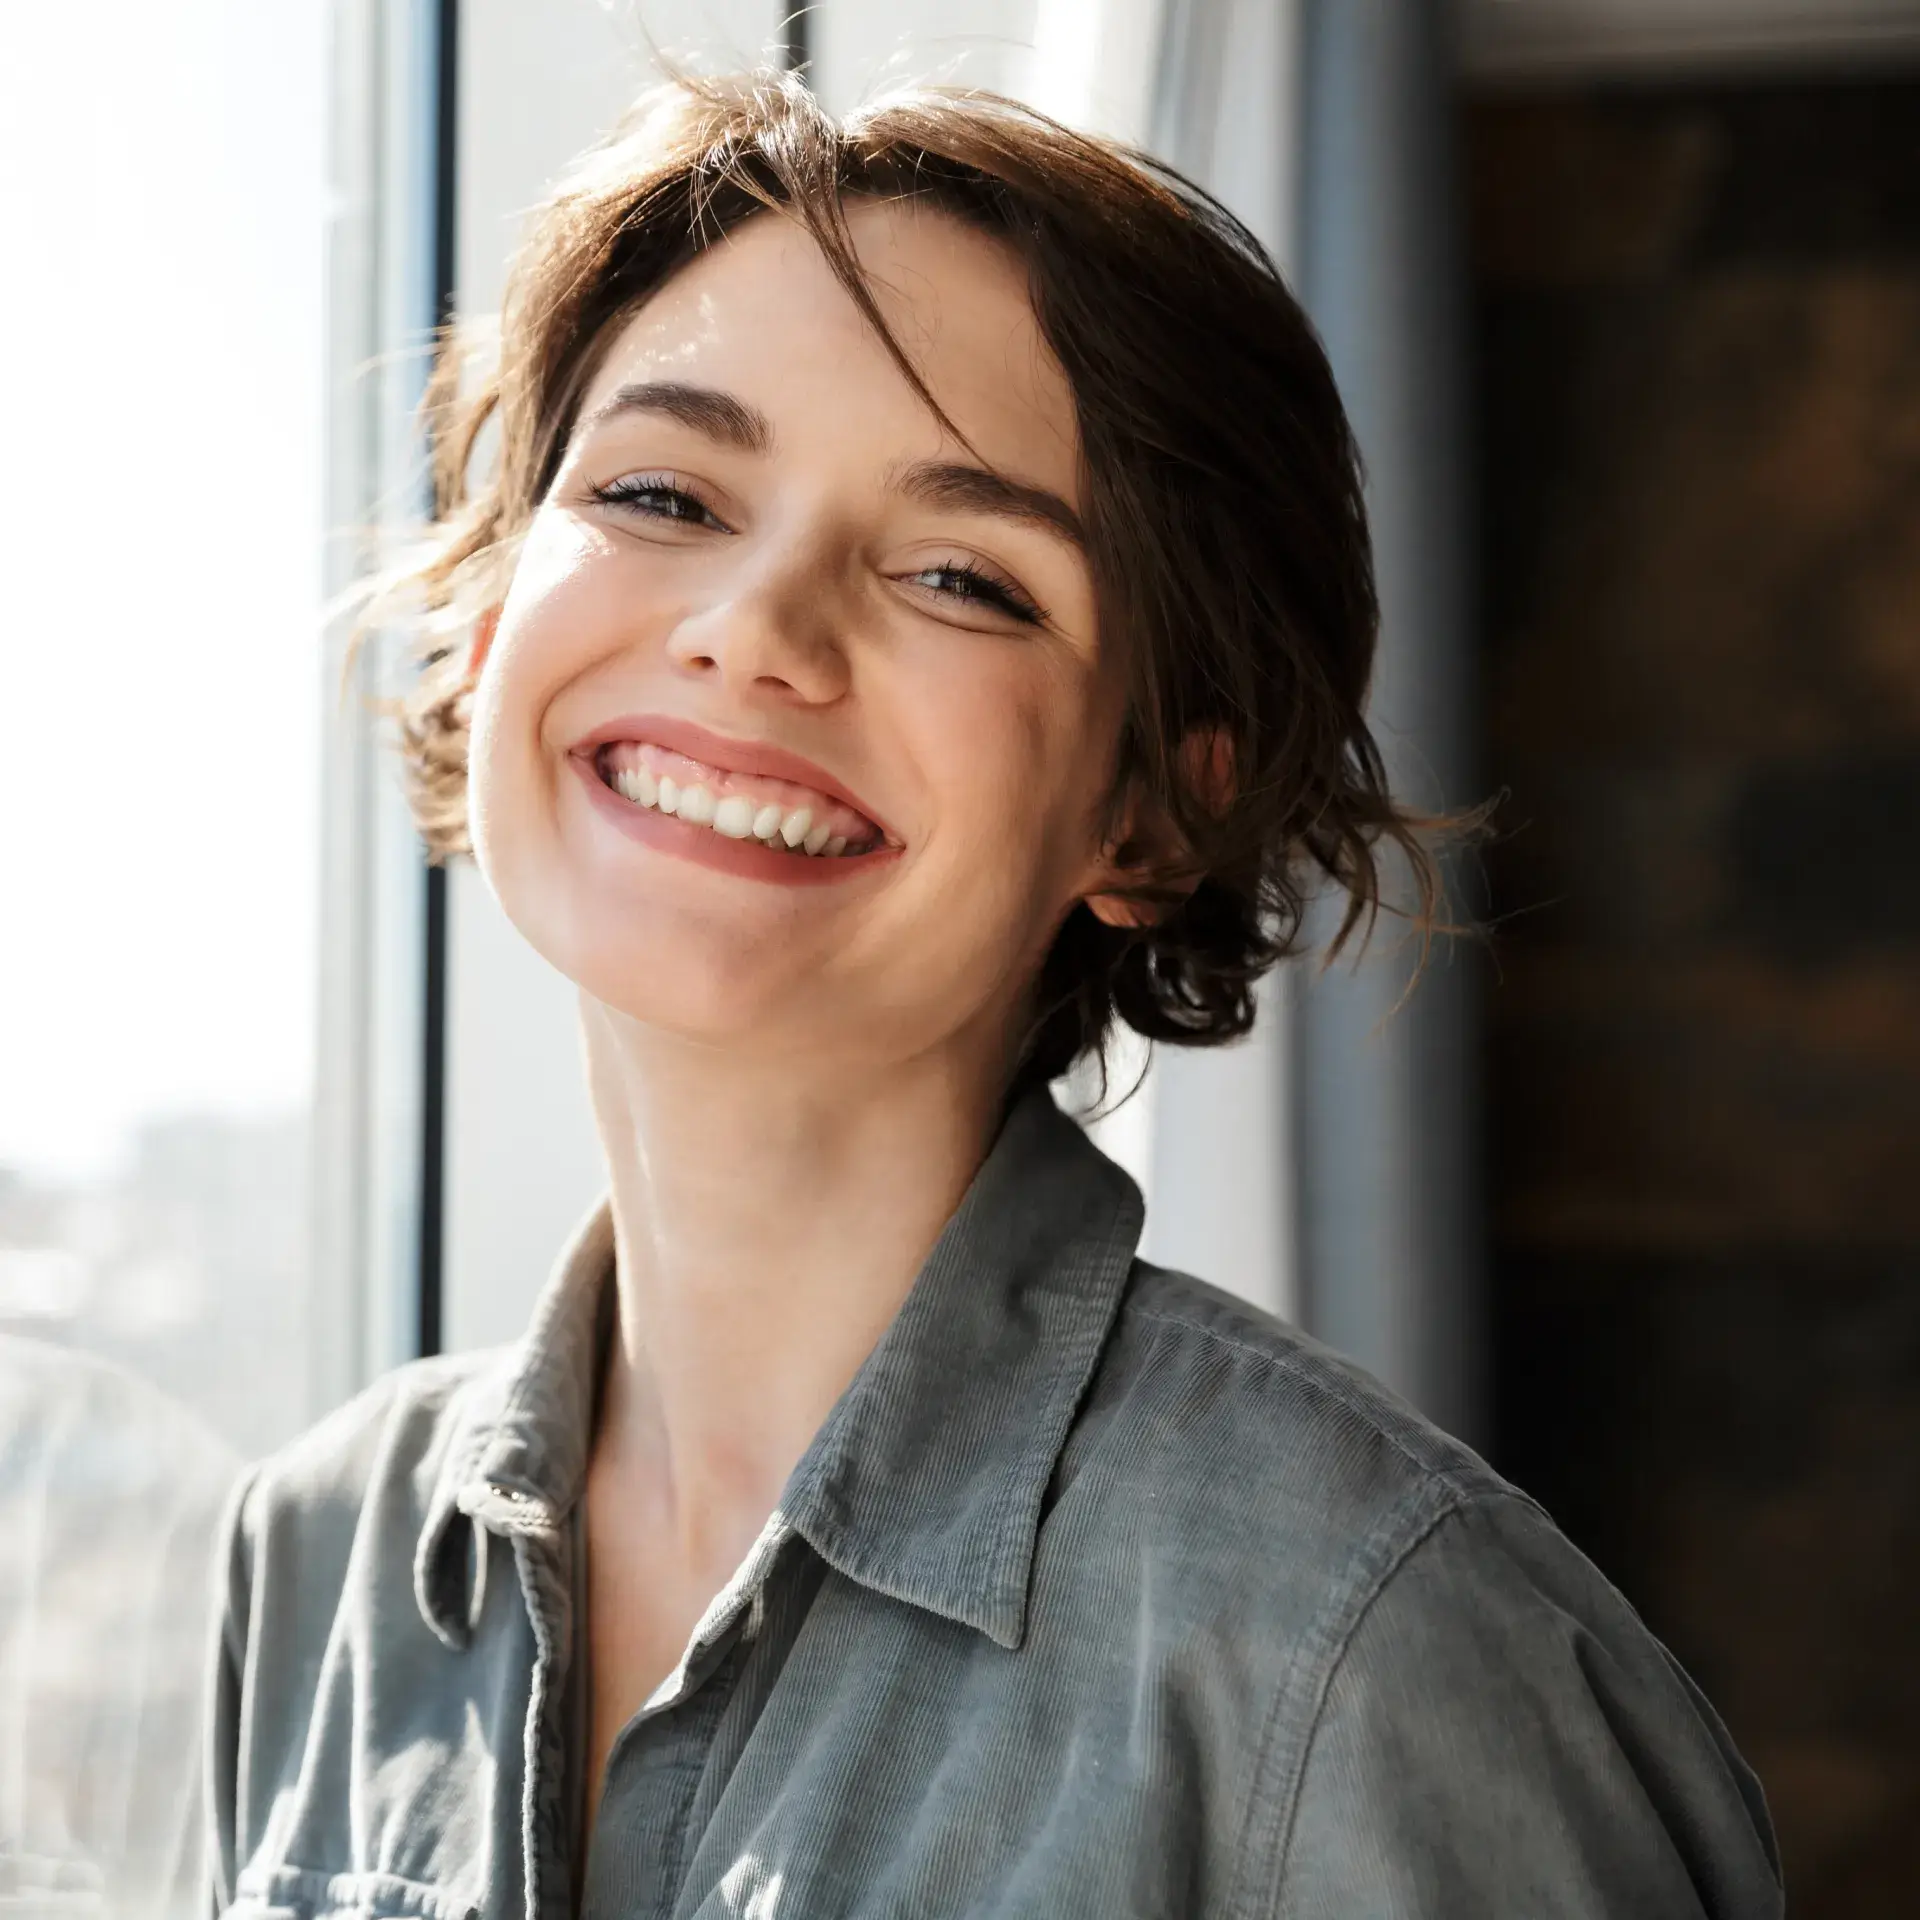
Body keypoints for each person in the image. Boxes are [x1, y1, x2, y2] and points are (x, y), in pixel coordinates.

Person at [205, 71, 1783, 1918]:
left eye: (963, 575)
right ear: (487, 639)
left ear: (1153, 804)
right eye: (658, 490)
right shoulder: (318, 1557)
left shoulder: (1374, 1655)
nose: (756, 631)